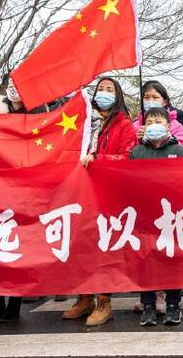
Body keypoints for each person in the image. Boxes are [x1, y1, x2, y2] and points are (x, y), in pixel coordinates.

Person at [58, 78, 137, 326]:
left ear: (118, 96)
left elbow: (127, 157)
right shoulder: (80, 122)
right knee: (79, 245)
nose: (103, 94)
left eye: (109, 90)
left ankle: (104, 301)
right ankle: (84, 297)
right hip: (78, 193)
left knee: (104, 248)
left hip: (106, 194)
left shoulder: (124, 125)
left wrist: (99, 160)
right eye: (100, 89)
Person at [132, 107, 183, 326]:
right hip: (145, 214)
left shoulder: (179, 150)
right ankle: (148, 305)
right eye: (150, 120)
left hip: (171, 214)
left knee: (171, 259)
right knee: (146, 261)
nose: (154, 123)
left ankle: (173, 305)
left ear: (168, 125)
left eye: (159, 120)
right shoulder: (136, 152)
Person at [133, 81, 183, 151]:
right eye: (146, 97)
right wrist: (138, 140)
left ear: (165, 102)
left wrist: (167, 137)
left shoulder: (175, 125)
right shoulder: (135, 126)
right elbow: (129, 152)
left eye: (155, 97)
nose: (150, 101)